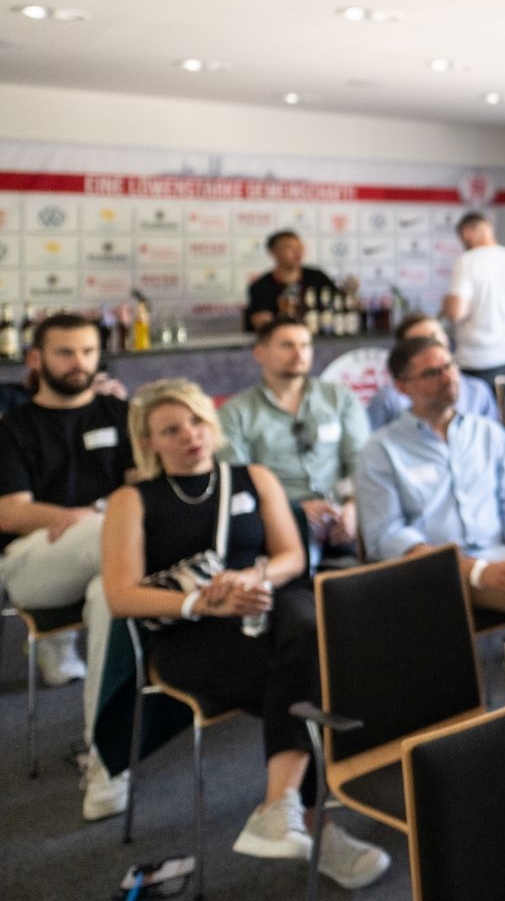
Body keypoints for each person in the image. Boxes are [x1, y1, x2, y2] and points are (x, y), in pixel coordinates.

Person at [100, 379, 388, 887]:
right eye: (171, 430)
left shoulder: (253, 477)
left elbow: (291, 557)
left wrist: (249, 580)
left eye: (196, 422)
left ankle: (281, 807)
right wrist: (202, 601)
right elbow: (121, 596)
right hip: (188, 632)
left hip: (267, 603)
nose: (190, 436)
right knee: (312, 680)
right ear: (148, 442)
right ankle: (312, 822)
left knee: (307, 627)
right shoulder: (133, 500)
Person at [0, 312, 138, 820]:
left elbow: (143, 485)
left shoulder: (120, 413)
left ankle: (106, 764)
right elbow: (10, 512)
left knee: (109, 597)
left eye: (88, 352)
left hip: (109, 556)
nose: (79, 363)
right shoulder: (12, 427)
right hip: (33, 564)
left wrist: (98, 514)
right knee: (113, 537)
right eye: (65, 352)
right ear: (36, 359)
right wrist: (87, 516)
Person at [358, 336, 505, 616]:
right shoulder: (381, 449)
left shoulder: (489, 433)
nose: (448, 378)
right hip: (435, 574)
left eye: (450, 366)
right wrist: (475, 570)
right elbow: (387, 537)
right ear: (401, 387)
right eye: (432, 373)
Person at [217, 317, 370, 563]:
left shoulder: (340, 398)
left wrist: (353, 505)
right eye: (287, 345)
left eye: (305, 345)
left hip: (341, 516)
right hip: (275, 521)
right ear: (260, 353)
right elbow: (238, 481)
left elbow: (360, 460)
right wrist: (293, 510)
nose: (299, 354)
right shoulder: (235, 412)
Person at [441, 211, 505, 388]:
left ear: (467, 234)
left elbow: (455, 312)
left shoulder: (466, 262)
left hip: (479, 359)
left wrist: (447, 303)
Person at [365, 311, 502, 430]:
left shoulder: (477, 391)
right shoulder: (389, 399)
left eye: (434, 336)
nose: (431, 346)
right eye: (420, 342)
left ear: (446, 338)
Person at [242, 231, 338, 333]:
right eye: (290, 248)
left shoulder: (318, 278)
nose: (298, 253)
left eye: (300, 247)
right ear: (273, 252)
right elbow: (262, 320)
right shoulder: (260, 286)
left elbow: (338, 304)